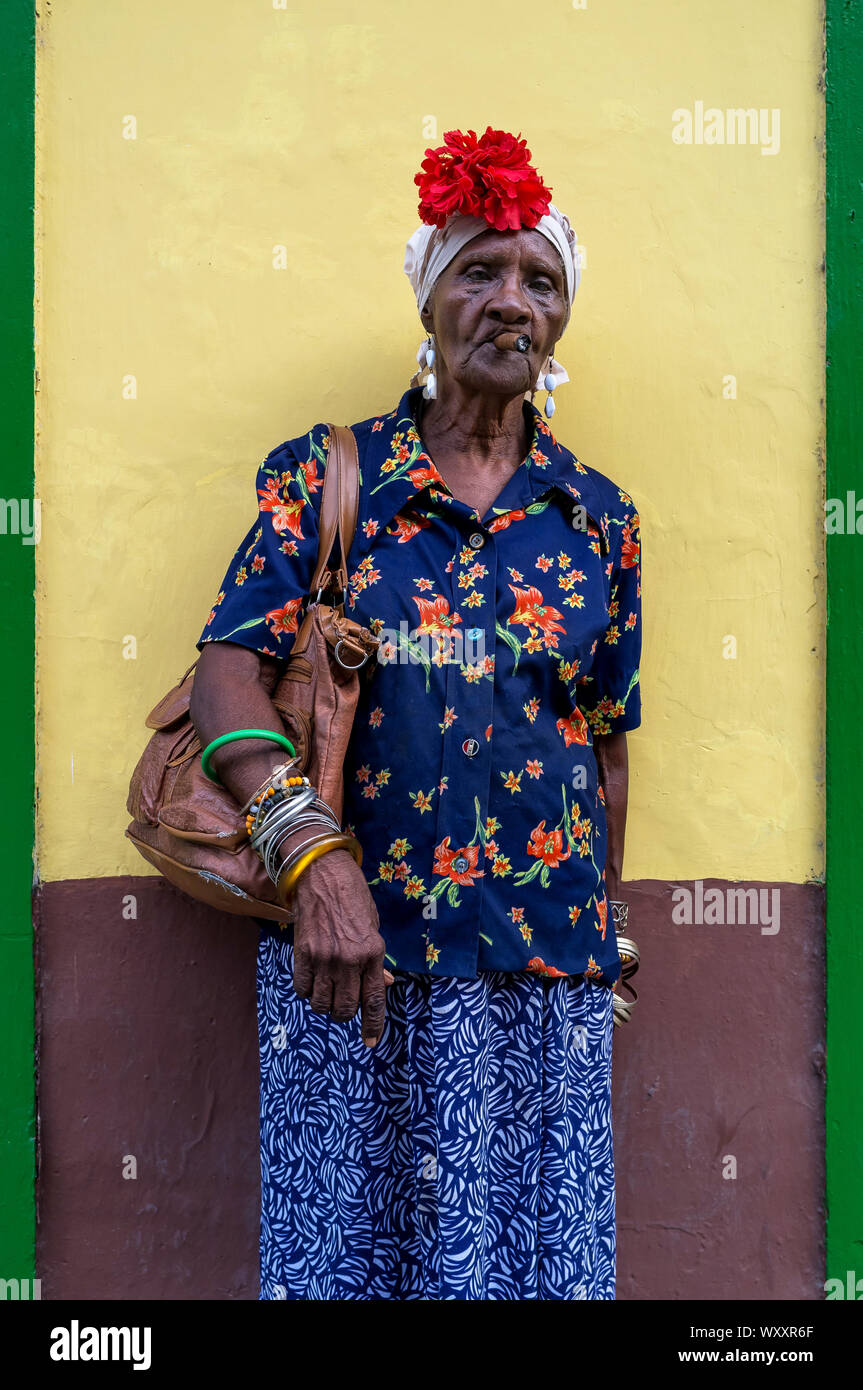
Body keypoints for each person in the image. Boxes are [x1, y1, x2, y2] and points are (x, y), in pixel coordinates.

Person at [189, 126, 643, 1300]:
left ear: (559, 321)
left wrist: (606, 937)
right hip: (355, 964)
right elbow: (226, 674)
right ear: (428, 302)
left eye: (538, 281)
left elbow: (601, 738)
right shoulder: (330, 479)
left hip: (543, 983)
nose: (510, 301)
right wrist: (313, 860)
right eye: (478, 272)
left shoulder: (599, 518)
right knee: (349, 1266)